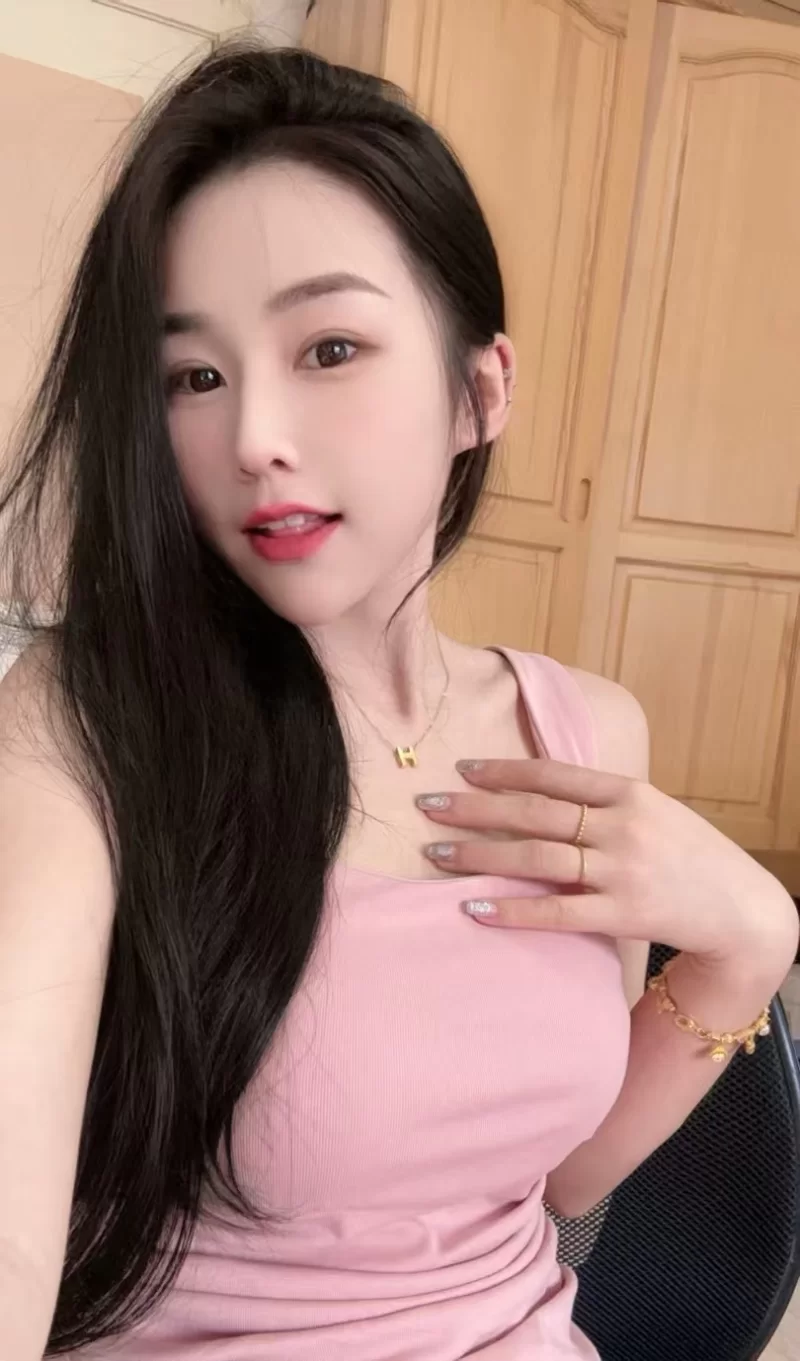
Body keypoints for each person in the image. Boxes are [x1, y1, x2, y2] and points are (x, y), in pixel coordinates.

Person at [0, 41, 795, 1361]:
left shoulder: (585, 733)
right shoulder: (82, 724)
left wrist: (748, 946)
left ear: (480, 390)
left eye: (330, 347)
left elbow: (551, 1185)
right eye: (194, 376)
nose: (253, 436)